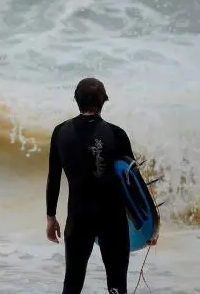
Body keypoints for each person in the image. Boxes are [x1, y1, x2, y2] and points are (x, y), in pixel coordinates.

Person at [45, 77, 149, 294]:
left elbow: (54, 177)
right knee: (117, 286)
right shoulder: (117, 134)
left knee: (72, 284)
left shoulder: (60, 133)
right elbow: (132, 184)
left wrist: (51, 217)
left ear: (76, 100)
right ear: (104, 101)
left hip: (78, 217)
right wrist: (147, 224)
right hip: (112, 219)